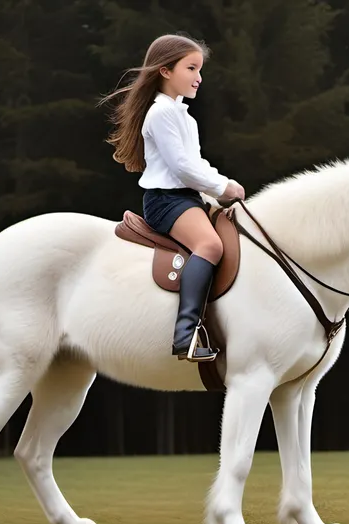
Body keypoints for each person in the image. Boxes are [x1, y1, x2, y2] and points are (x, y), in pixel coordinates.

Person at [99, 33, 245, 363]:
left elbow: (195, 164)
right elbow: (181, 167)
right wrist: (223, 187)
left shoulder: (183, 116)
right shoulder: (161, 114)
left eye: (200, 69)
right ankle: (185, 334)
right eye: (191, 68)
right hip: (168, 200)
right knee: (210, 246)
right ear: (165, 71)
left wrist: (219, 188)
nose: (199, 77)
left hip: (188, 197)